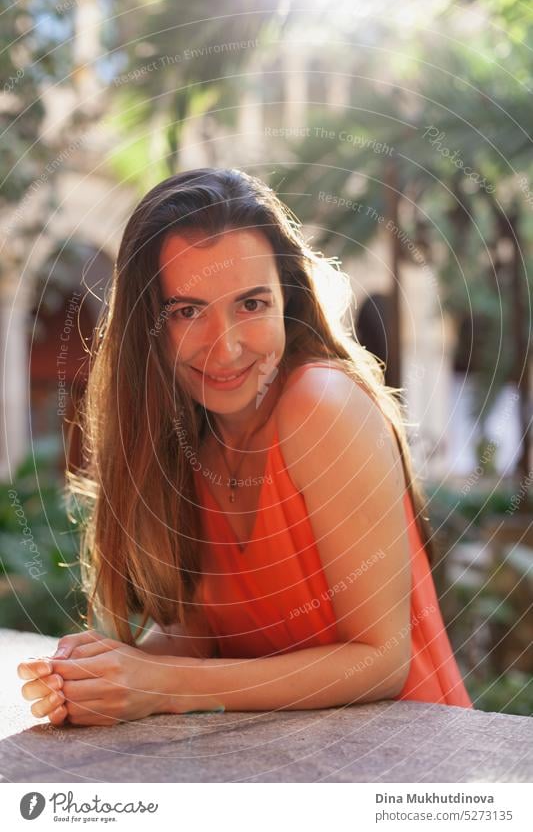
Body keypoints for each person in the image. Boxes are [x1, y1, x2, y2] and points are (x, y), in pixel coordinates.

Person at [17, 167, 473, 727]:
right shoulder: (193, 439)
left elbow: (382, 663)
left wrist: (161, 685)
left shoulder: (320, 405)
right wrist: (104, 673)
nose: (226, 346)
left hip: (407, 770)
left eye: (251, 304)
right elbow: (205, 631)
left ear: (288, 298)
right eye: (187, 311)